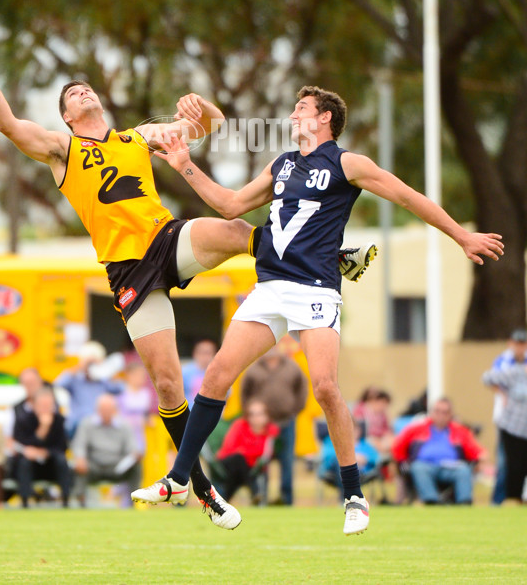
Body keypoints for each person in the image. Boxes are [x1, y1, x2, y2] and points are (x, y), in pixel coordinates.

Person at [0, 22, 375, 530]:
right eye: (72, 94)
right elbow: (7, 125)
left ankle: (327, 259)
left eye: (85, 87)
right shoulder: (61, 150)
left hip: (165, 241)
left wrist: (205, 107)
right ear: (68, 116)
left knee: (232, 228)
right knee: (170, 385)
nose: (82, 91)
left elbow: (210, 127)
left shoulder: (139, 137)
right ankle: (203, 490)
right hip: (127, 271)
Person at [132, 84, 503, 535]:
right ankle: (177, 480)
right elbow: (230, 205)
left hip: (315, 290)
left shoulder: (349, 163)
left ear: (325, 118)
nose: (292, 115)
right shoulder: (282, 165)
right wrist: (184, 164)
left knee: (325, 387)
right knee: (215, 378)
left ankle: (354, 496)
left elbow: (408, 197)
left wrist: (462, 236)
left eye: (301, 108)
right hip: (270, 286)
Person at [240, 344, 308, 505]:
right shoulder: (254, 369)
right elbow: (244, 394)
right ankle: (261, 498)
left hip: (286, 422)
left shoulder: (292, 366)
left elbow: (302, 389)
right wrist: (252, 416)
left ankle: (286, 500)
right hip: (261, 427)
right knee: (261, 461)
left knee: (287, 462)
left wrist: (293, 410)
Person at [391, 397, 486, 504]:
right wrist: (403, 463)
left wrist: (481, 457)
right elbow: (397, 447)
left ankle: (464, 503)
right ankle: (431, 501)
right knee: (418, 467)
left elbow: (476, 451)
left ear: (450, 414)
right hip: (425, 466)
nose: (441, 415)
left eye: (445, 412)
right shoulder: (415, 429)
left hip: (452, 468)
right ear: (431, 412)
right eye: (437, 411)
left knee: (464, 469)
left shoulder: (460, 431)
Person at [71, 393, 140, 507]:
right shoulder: (87, 424)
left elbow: (132, 447)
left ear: (115, 410)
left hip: (117, 467)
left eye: (109, 409)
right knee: (79, 466)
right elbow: (79, 445)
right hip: (93, 466)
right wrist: (80, 458)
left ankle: (135, 502)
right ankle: (80, 501)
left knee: (136, 467)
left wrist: (135, 454)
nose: (106, 412)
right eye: (103, 409)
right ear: (97, 410)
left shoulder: (124, 426)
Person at [483, 328, 527, 504]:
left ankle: (519, 498)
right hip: (506, 420)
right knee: (505, 463)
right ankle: (500, 499)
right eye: (517, 343)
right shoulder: (504, 361)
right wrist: (502, 394)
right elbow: (489, 378)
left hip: (524, 421)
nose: (519, 347)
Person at [11, 387, 72, 508]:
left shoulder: (59, 420)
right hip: (30, 465)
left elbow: (62, 447)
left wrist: (44, 452)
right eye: (42, 405)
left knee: (62, 460)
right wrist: (41, 431)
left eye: (48, 405)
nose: (46, 409)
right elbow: (21, 444)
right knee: (24, 462)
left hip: (51, 464)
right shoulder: (23, 420)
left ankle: (66, 499)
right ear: (34, 405)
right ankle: (25, 500)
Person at [212, 400, 279, 502]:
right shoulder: (239, 425)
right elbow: (229, 449)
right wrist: (247, 452)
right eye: (252, 414)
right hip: (228, 462)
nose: (256, 418)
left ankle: (225, 500)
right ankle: (254, 491)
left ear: (267, 416)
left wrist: (244, 451)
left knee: (239, 471)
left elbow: (266, 454)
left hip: (250, 467)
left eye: (260, 414)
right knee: (239, 459)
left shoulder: (270, 432)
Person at [54, 341, 124, 439]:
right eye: (89, 364)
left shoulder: (103, 382)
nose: (91, 366)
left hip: (99, 426)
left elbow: (121, 388)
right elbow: (58, 384)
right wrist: (80, 366)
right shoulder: (75, 381)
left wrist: (104, 369)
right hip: (77, 425)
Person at [319, 418, 380, 499]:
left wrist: (365, 459)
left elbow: (375, 458)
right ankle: (346, 498)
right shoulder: (331, 441)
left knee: (353, 465)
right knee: (341, 462)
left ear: (359, 431)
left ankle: (351, 497)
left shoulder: (365, 445)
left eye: (354, 430)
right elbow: (327, 456)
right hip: (335, 471)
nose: (351, 433)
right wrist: (352, 457)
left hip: (361, 473)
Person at [352, 387, 394, 456]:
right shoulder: (361, 410)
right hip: (367, 437)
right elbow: (360, 428)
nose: (383, 406)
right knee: (373, 442)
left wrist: (388, 435)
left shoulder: (382, 414)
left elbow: (387, 428)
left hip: (381, 438)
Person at [182, 339, 218, 407]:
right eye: (202, 353)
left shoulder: (218, 373)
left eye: (208, 353)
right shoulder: (185, 371)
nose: (205, 357)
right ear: (195, 354)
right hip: (189, 413)